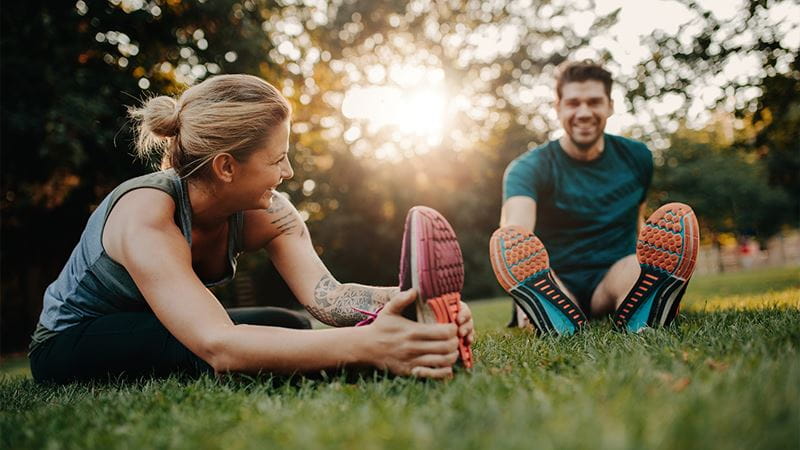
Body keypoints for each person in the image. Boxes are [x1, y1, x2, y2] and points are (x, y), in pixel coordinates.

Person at [29, 74, 474, 384]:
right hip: (74, 339)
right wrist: (369, 347)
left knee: (290, 326)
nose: (290, 170)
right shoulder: (147, 212)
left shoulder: (269, 212)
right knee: (217, 353)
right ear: (226, 167)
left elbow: (329, 298)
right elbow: (219, 344)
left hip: (158, 326)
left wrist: (415, 304)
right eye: (277, 158)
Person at [489, 60, 699, 334]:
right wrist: (517, 276)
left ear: (610, 105)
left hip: (614, 274)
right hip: (556, 278)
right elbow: (515, 234)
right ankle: (539, 307)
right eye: (574, 103)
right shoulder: (528, 168)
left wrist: (649, 258)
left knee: (635, 271)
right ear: (558, 108)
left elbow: (637, 220)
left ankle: (649, 302)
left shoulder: (637, 157)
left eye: (594, 102)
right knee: (546, 284)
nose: (584, 112)